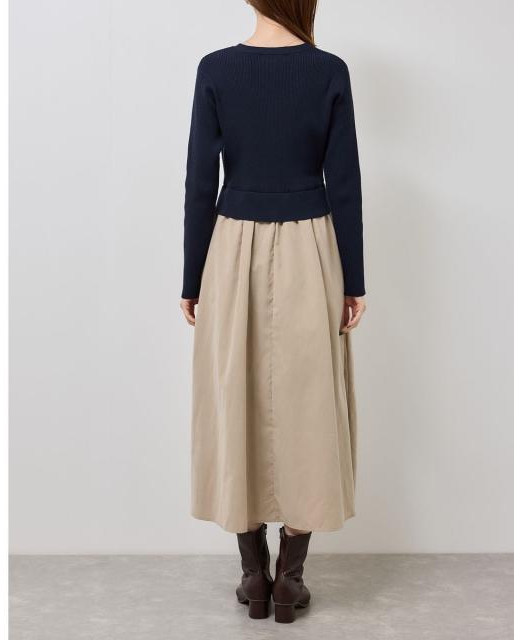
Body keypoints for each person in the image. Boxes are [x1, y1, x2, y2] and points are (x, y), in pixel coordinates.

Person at [179, 0, 366, 624]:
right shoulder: (328, 70)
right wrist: (354, 280)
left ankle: (252, 574)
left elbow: (200, 182)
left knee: (237, 392)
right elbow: (345, 181)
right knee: (309, 400)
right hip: (312, 244)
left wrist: (192, 278)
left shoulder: (216, 68)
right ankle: (290, 578)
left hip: (232, 246)